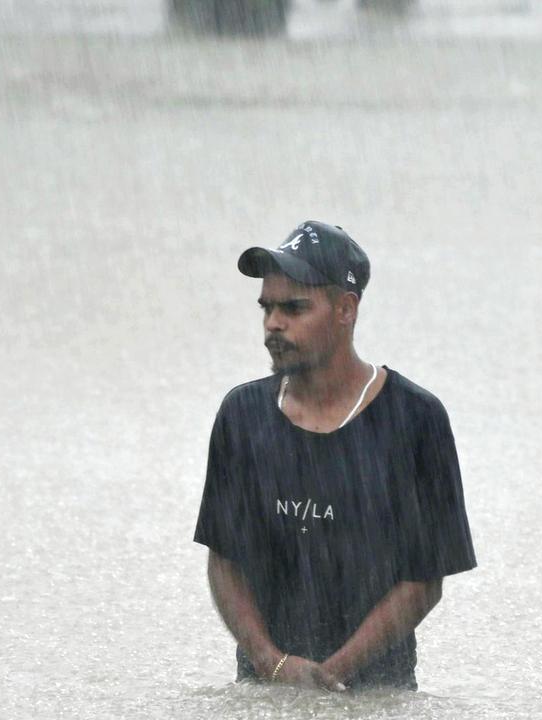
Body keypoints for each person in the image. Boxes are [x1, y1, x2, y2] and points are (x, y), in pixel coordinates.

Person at [194, 221, 476, 690]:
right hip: (263, 695)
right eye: (267, 308)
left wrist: (332, 676)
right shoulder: (241, 417)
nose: (273, 324)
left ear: (346, 309)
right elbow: (224, 559)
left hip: (377, 698)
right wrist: (273, 664)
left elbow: (424, 580)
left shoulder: (415, 420)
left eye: (294, 308)